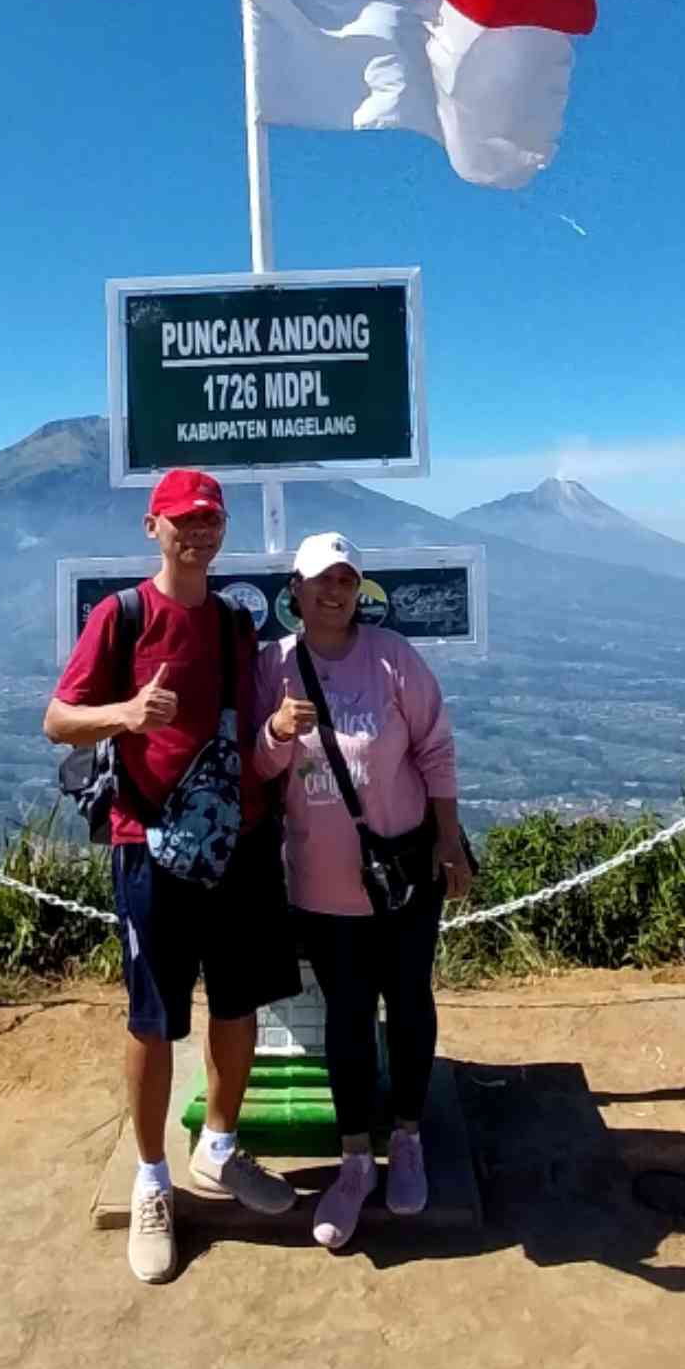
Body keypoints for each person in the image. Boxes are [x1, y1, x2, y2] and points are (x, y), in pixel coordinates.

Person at [45, 467, 299, 1284]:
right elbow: (57, 719)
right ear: (153, 527)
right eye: (184, 519)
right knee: (152, 1019)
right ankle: (152, 1177)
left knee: (239, 1001)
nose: (200, 531)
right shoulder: (120, 616)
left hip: (238, 840)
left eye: (210, 519)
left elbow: (249, 724)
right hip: (148, 843)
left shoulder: (232, 624)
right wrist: (125, 714)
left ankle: (218, 1147)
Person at [255, 532, 472, 1252]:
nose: (334, 591)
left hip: (406, 875)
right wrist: (279, 731)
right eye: (321, 579)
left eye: (346, 579)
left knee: (409, 999)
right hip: (321, 886)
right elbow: (255, 765)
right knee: (349, 1018)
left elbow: (435, 747)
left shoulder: (392, 658)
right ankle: (355, 1159)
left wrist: (449, 839)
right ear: (295, 589)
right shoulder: (274, 666)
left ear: (359, 589)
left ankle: (405, 1138)